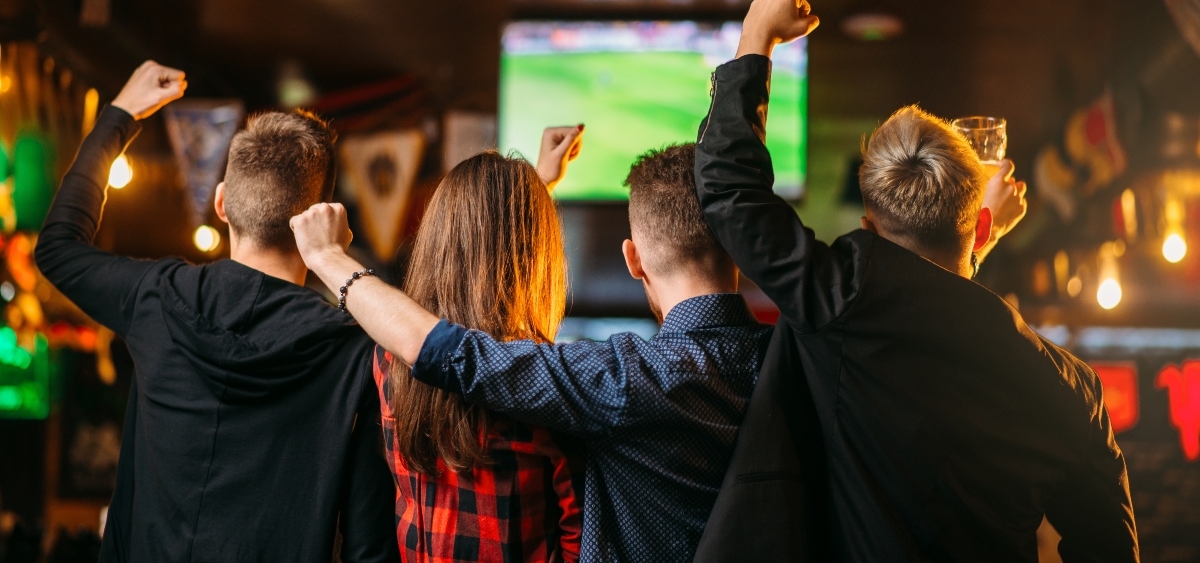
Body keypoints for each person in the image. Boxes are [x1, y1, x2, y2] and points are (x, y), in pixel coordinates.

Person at [692, 0, 1138, 562]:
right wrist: (976, 236)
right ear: (976, 227)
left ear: (870, 224)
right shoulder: (1072, 391)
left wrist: (758, 36)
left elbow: (729, 189)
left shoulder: (837, 297)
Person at [290, 139, 773, 562]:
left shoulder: (389, 362)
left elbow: (441, 344)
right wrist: (527, 202)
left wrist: (328, 258)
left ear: (634, 259)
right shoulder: (780, 357)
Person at [35, 62, 398, 562]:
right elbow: (369, 543)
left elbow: (57, 247)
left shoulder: (157, 297)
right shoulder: (355, 352)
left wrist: (119, 116)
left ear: (222, 203)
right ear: (323, 220)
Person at [370, 147, 584, 562]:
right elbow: (580, 535)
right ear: (536, 254)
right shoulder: (544, 376)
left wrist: (534, 189)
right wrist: (527, 206)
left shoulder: (390, 357)